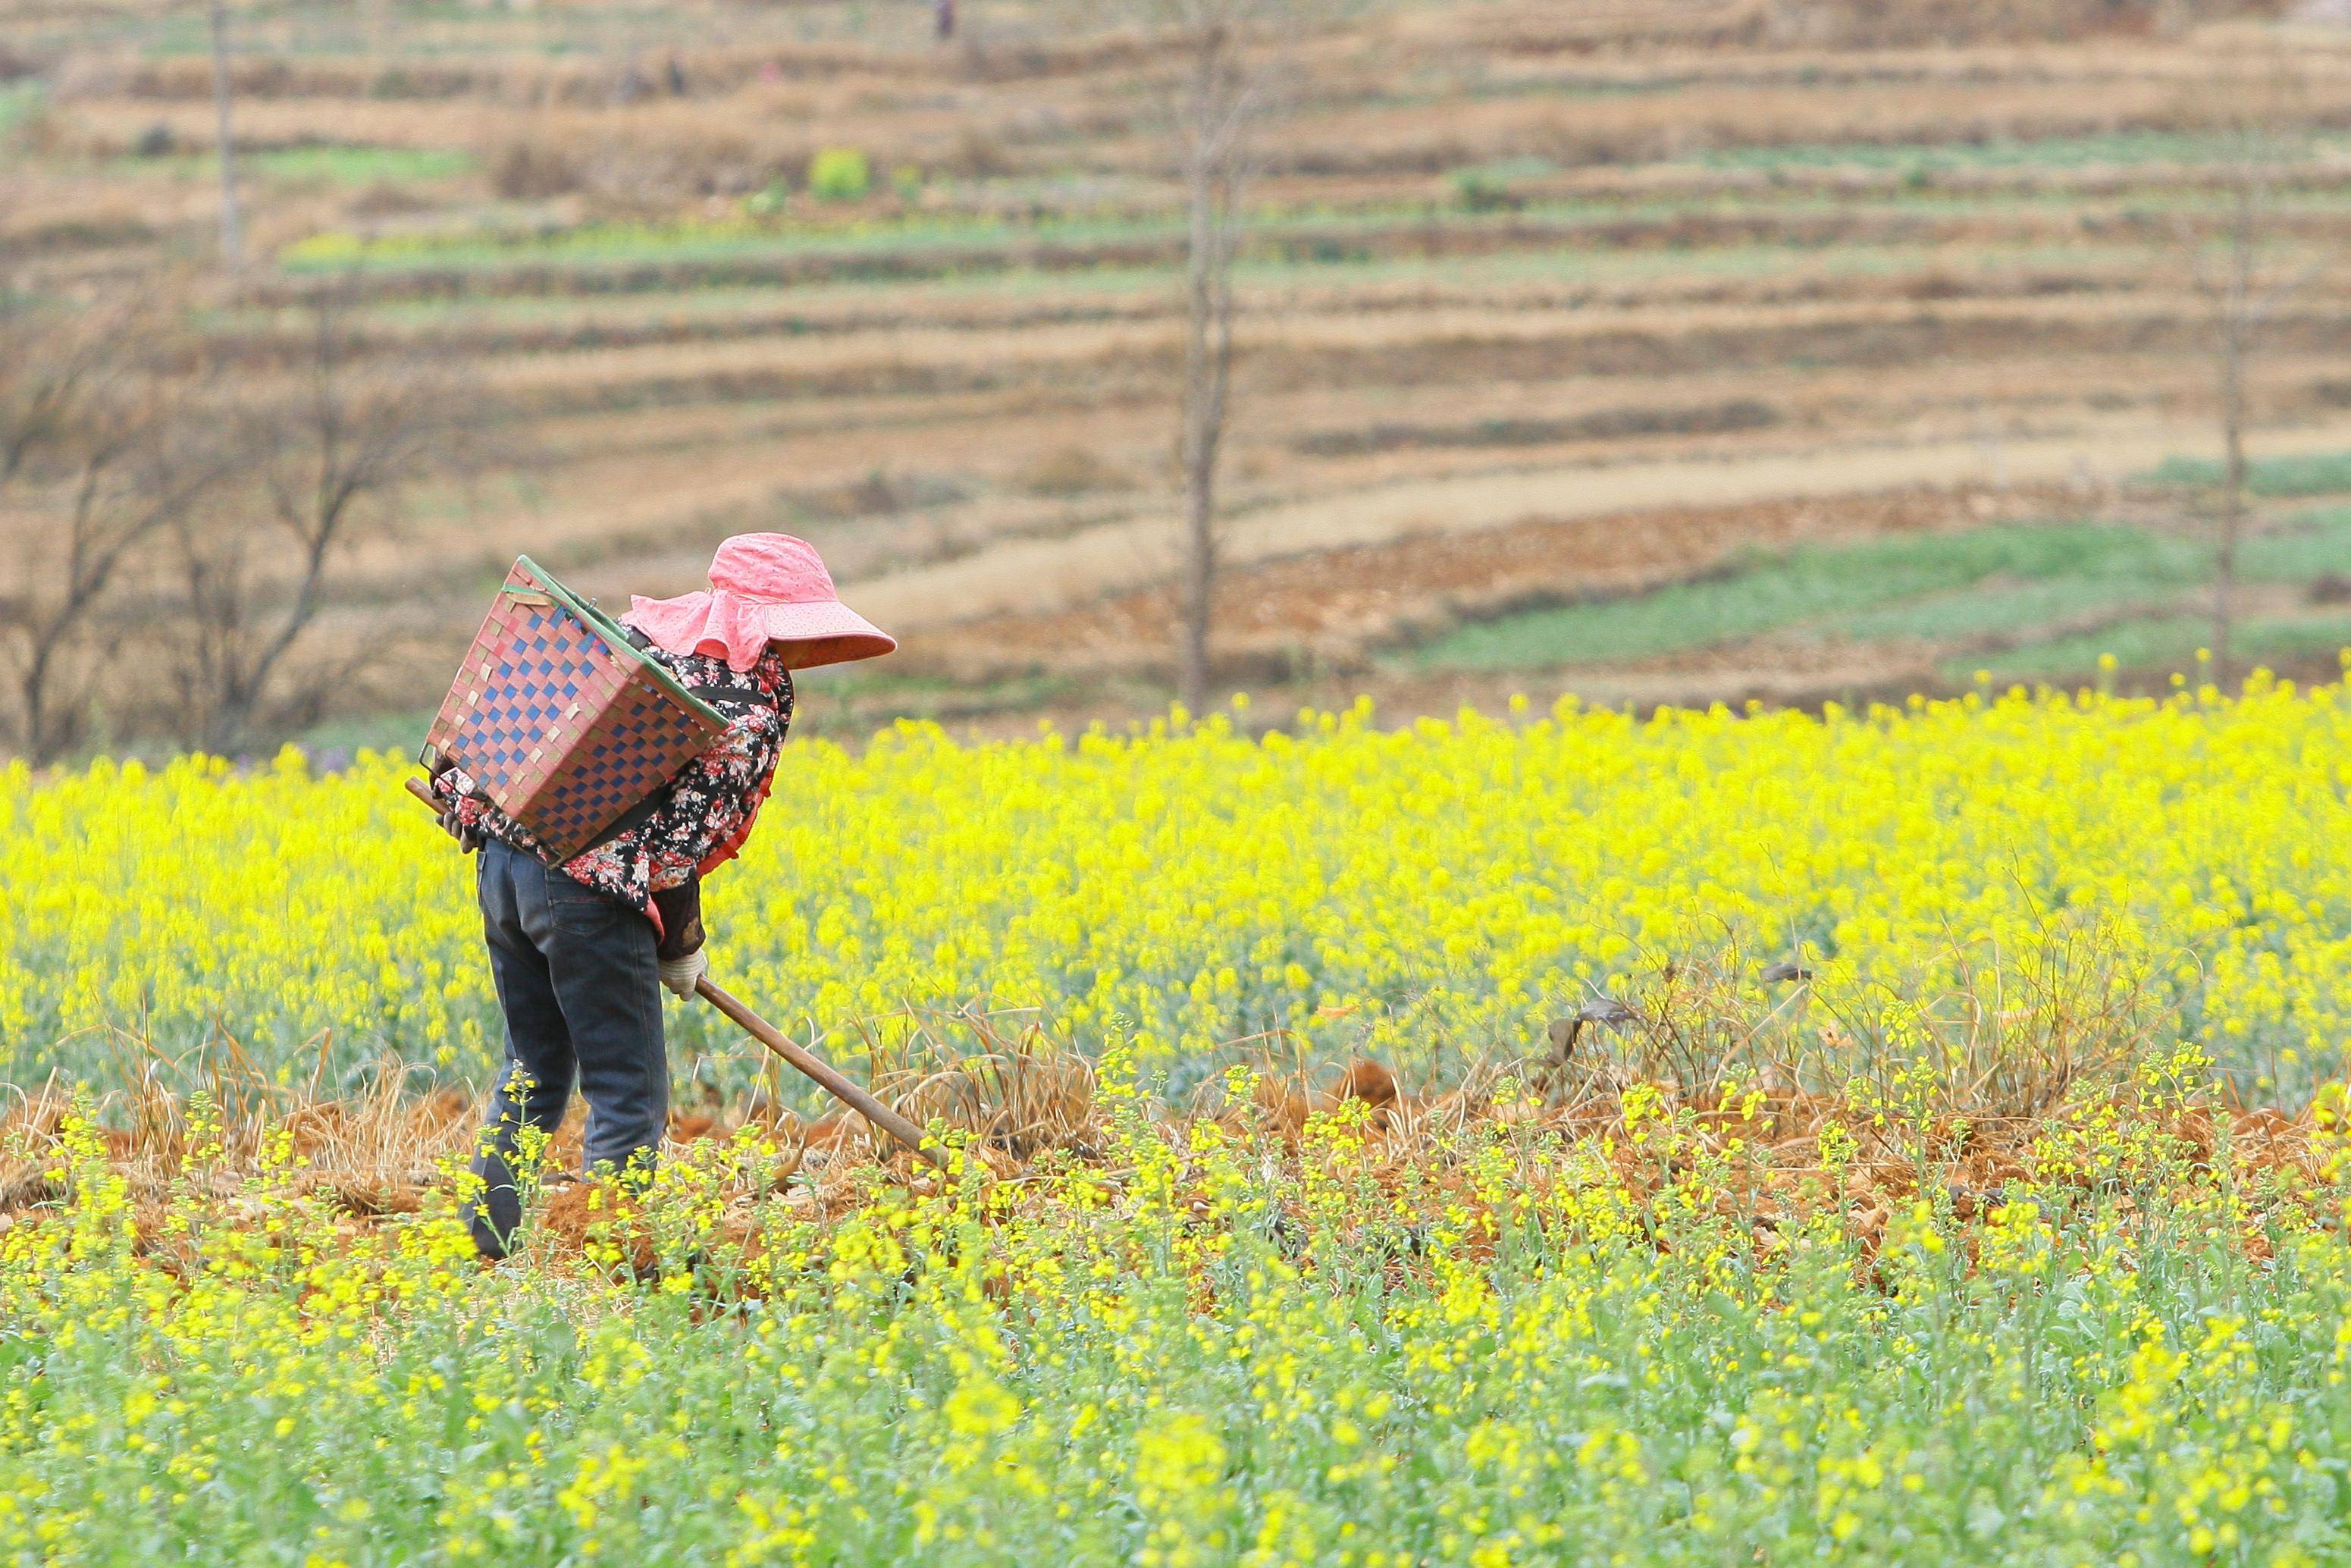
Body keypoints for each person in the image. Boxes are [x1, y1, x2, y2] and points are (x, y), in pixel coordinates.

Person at [428, 533, 894, 1259]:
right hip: (586, 896)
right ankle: (612, 1257)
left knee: (533, 1069)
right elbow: (678, 845)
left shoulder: (645, 645)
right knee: (627, 1089)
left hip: (502, 864)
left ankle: (490, 1248)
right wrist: (682, 944)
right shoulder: (748, 701)